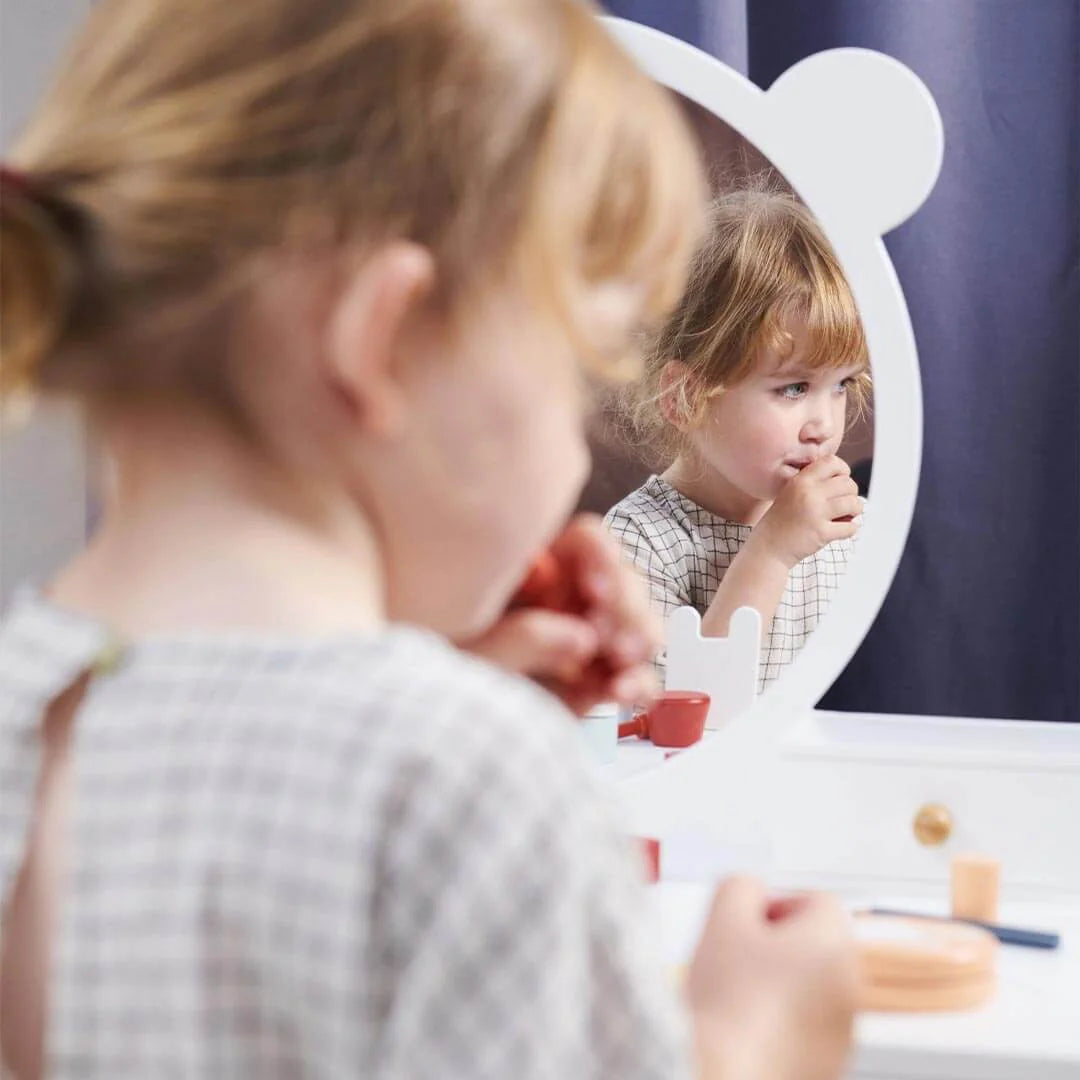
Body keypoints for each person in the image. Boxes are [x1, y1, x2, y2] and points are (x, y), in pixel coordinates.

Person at [0, 2, 857, 1077]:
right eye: (578, 368)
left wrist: (447, 678)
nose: (574, 433)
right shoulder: (468, 784)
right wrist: (753, 1049)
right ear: (381, 342)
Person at [605, 187, 870, 691]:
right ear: (686, 397)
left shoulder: (843, 529)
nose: (825, 425)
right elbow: (682, 711)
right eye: (794, 388)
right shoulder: (640, 542)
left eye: (842, 385)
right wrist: (770, 553)